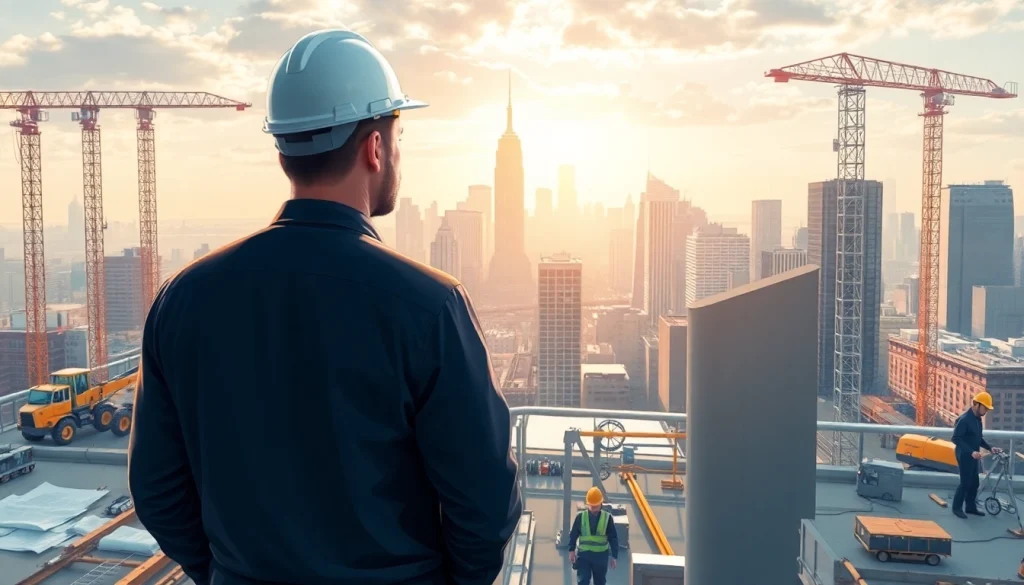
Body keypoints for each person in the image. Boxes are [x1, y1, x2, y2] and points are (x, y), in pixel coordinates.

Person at [127, 29, 522, 585]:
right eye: (398, 136)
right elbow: (484, 506)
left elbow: (157, 491)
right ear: (375, 148)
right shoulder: (429, 306)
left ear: (284, 147)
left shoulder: (183, 299)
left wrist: (226, 573)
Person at [950, 391, 1001, 518]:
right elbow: (956, 438)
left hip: (974, 455)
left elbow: (978, 438)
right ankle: (956, 508)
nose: (986, 411)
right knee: (965, 483)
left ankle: (970, 507)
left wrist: (990, 448)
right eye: (985, 408)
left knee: (974, 482)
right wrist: (971, 452)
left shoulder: (977, 420)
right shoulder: (964, 420)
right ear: (976, 404)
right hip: (964, 455)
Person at [567, 487, 619, 585]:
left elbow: (613, 538)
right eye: (591, 506)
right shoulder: (581, 517)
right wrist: (571, 550)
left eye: (596, 506)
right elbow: (573, 534)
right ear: (588, 504)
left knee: (600, 582)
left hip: (600, 557)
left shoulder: (607, 518)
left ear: (601, 504)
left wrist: (614, 556)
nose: (593, 509)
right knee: (583, 581)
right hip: (584, 556)